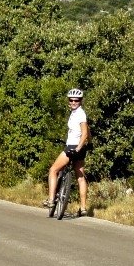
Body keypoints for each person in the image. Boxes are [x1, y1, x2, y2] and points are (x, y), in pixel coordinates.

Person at [44, 88, 89, 216]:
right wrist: (88, 144)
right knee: (80, 177)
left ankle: (51, 200)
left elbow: (84, 133)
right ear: (69, 101)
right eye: (71, 100)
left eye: (77, 100)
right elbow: (87, 131)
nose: (74, 102)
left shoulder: (80, 114)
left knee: (53, 170)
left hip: (73, 147)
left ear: (81, 101)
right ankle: (83, 208)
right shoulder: (78, 113)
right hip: (80, 148)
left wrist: (78, 147)